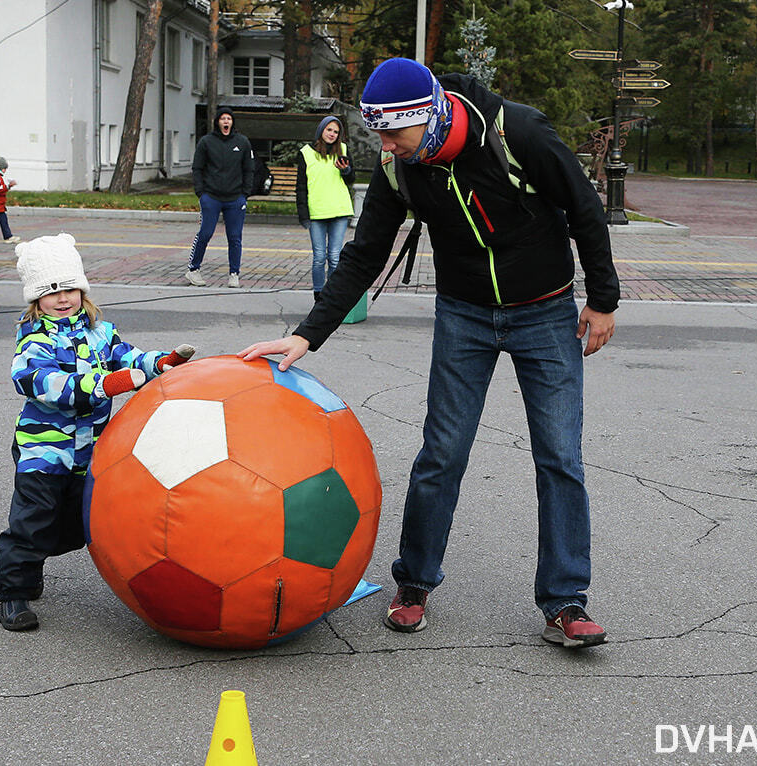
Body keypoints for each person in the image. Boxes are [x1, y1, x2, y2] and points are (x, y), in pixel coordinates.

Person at [239, 57, 619, 648]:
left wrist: (603, 299)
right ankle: (414, 583)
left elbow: (586, 209)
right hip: (464, 314)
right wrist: (307, 334)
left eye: (394, 133)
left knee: (559, 458)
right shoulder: (402, 168)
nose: (385, 147)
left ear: (431, 115)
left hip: (545, 312)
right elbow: (364, 254)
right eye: (378, 135)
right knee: (441, 454)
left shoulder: (516, 133)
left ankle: (566, 602)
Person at [0, 233, 196, 631]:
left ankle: (33, 561)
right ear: (37, 299)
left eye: (69, 288)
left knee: (75, 525)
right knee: (32, 522)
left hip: (92, 452)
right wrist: (104, 385)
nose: (63, 298)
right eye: (52, 292)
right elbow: (37, 381)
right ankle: (13, 591)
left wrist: (163, 363)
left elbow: (132, 358)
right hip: (44, 450)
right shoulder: (35, 339)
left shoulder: (101, 333)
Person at [186, 106, 254, 289]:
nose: (226, 122)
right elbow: (197, 168)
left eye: (229, 119)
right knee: (205, 233)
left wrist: (244, 194)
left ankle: (234, 273)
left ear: (233, 122)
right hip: (211, 197)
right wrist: (201, 193)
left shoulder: (243, 142)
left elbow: (249, 169)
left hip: (235, 198)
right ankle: (193, 269)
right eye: (223, 119)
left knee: (234, 236)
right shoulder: (206, 142)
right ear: (217, 121)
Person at [296, 116, 355, 301]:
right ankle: (318, 294)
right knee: (319, 257)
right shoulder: (306, 152)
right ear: (321, 130)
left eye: (336, 132)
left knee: (335, 257)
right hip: (317, 212)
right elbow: (301, 187)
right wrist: (303, 214)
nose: (332, 134)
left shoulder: (343, 150)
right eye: (329, 130)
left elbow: (351, 179)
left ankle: (332, 296)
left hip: (339, 209)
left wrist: (346, 170)